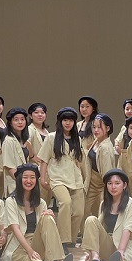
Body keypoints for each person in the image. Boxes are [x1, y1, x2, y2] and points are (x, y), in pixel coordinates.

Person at [1, 164, 73, 261]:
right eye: (25, 177)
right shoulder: (10, 201)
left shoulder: (41, 202)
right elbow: (15, 229)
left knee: (47, 217)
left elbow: (44, 228)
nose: (29, 181)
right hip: (18, 245)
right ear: (19, 179)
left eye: (32, 177)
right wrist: (30, 251)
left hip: (36, 241)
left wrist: (50, 217)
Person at [35, 107, 85, 252]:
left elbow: (78, 161)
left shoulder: (77, 139)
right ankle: (63, 240)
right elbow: (44, 160)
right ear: (60, 122)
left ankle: (71, 239)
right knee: (65, 203)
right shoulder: (51, 137)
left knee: (79, 211)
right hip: (57, 177)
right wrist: (42, 179)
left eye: (71, 120)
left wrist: (82, 177)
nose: (68, 123)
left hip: (75, 178)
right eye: (65, 120)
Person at [82, 169, 132, 261]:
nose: (113, 187)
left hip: (127, 246)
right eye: (110, 183)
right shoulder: (104, 204)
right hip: (110, 244)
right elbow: (98, 228)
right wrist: (92, 250)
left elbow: (127, 229)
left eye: (117, 183)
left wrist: (120, 250)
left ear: (124, 185)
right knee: (91, 220)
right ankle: (96, 259)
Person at [82, 113, 117, 220]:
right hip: (91, 182)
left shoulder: (105, 147)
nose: (96, 130)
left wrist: (107, 189)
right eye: (94, 127)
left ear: (107, 128)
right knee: (84, 211)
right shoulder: (97, 140)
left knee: (100, 214)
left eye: (99, 127)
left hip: (101, 185)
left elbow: (107, 172)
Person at [2, 107, 32, 196]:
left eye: (22, 119)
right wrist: (22, 181)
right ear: (10, 123)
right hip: (14, 182)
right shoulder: (8, 140)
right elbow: (9, 167)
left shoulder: (25, 140)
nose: (20, 122)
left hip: (25, 181)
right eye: (16, 120)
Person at [27, 102, 51, 205]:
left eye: (42, 112)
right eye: (36, 112)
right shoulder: (30, 129)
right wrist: (32, 156)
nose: (40, 115)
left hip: (47, 169)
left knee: (46, 199)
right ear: (30, 115)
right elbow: (26, 142)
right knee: (37, 199)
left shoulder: (46, 131)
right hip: (35, 168)